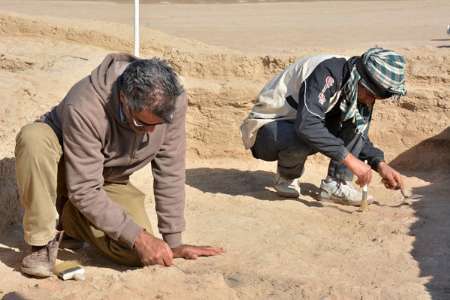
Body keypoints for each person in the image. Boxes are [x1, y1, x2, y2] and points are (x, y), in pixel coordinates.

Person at [15, 53, 224, 278]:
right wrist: (139, 237)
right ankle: (41, 243)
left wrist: (172, 242)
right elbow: (84, 188)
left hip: (106, 178)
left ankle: (72, 218)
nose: (152, 132)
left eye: (158, 124)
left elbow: (170, 170)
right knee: (33, 138)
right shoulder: (85, 104)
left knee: (139, 254)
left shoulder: (173, 102)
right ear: (124, 99)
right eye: (142, 123)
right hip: (61, 169)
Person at [240, 47, 406, 205]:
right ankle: (287, 176)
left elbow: (357, 133)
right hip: (267, 131)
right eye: (370, 94)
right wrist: (352, 162)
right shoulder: (327, 73)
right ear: (361, 80)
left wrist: (379, 164)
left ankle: (336, 184)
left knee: (355, 120)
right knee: (306, 134)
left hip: (300, 124)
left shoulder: (354, 85)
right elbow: (307, 125)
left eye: (376, 97)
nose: (371, 100)